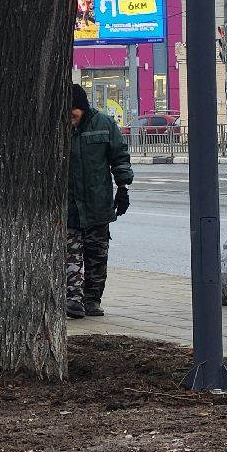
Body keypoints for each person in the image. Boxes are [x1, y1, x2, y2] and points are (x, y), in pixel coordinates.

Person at [67, 83, 133, 319]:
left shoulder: (104, 124)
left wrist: (123, 188)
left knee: (97, 257)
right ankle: (73, 300)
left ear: (82, 108)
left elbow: (120, 157)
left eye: (73, 112)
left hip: (97, 204)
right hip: (69, 206)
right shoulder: (55, 128)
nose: (70, 118)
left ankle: (92, 300)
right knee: (71, 255)